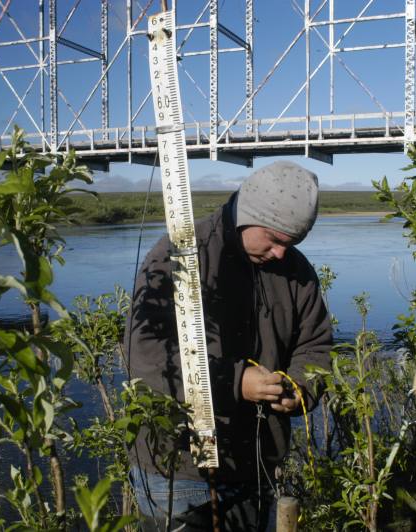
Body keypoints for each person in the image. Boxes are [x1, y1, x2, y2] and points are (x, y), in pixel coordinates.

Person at [125, 160, 333, 531]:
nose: (282, 254)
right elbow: (146, 356)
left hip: (255, 465)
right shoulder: (181, 254)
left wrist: (299, 390)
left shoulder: (296, 271)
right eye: (275, 238)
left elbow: (315, 346)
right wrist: (236, 383)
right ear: (247, 216)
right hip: (178, 469)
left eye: (293, 242)